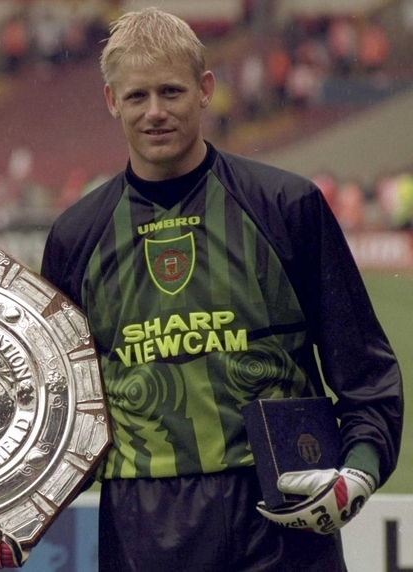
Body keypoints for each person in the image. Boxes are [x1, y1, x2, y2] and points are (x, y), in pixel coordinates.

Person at [40, 9, 403, 571]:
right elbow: (55, 408)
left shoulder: (286, 207)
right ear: (112, 102)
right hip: (143, 524)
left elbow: (364, 370)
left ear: (206, 90)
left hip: (283, 515)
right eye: (137, 97)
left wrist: (358, 467)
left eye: (171, 91)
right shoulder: (76, 237)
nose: (155, 112)